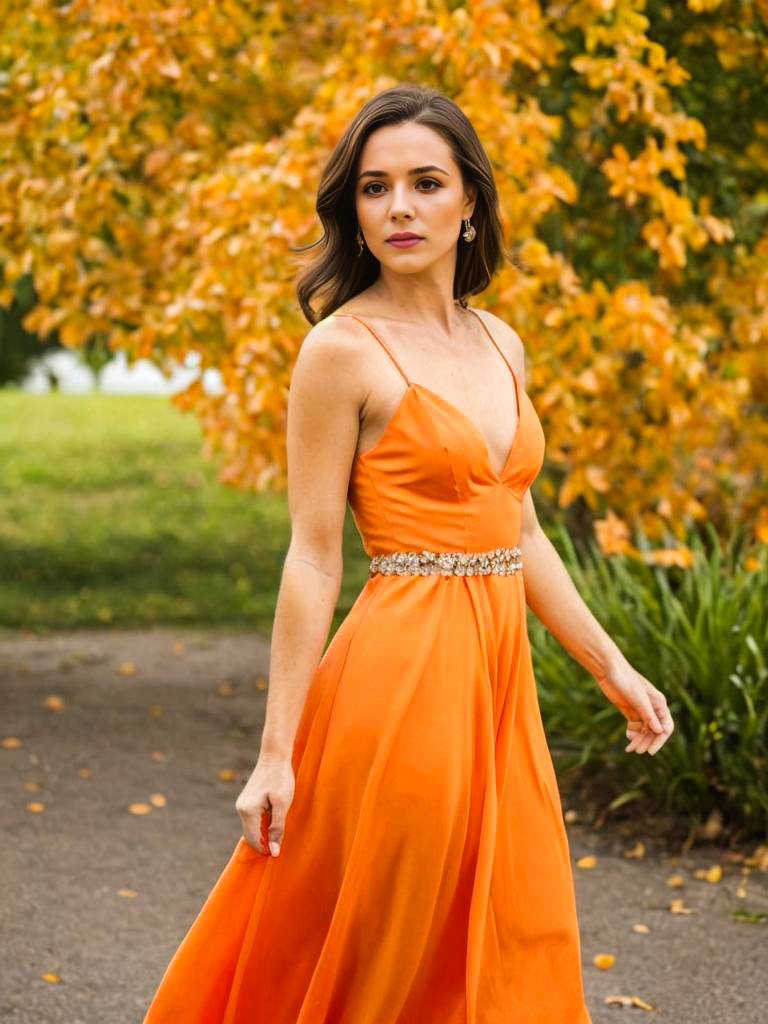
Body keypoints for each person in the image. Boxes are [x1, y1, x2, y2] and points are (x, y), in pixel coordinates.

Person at [143, 83, 674, 1024]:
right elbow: (311, 559)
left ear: (470, 200)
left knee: (514, 924)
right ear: (353, 207)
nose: (398, 208)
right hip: (401, 682)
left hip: (500, 682)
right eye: (374, 187)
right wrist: (275, 754)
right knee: (393, 936)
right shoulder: (340, 352)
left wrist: (612, 666)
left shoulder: (502, 342)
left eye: (426, 182)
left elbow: (518, 525)